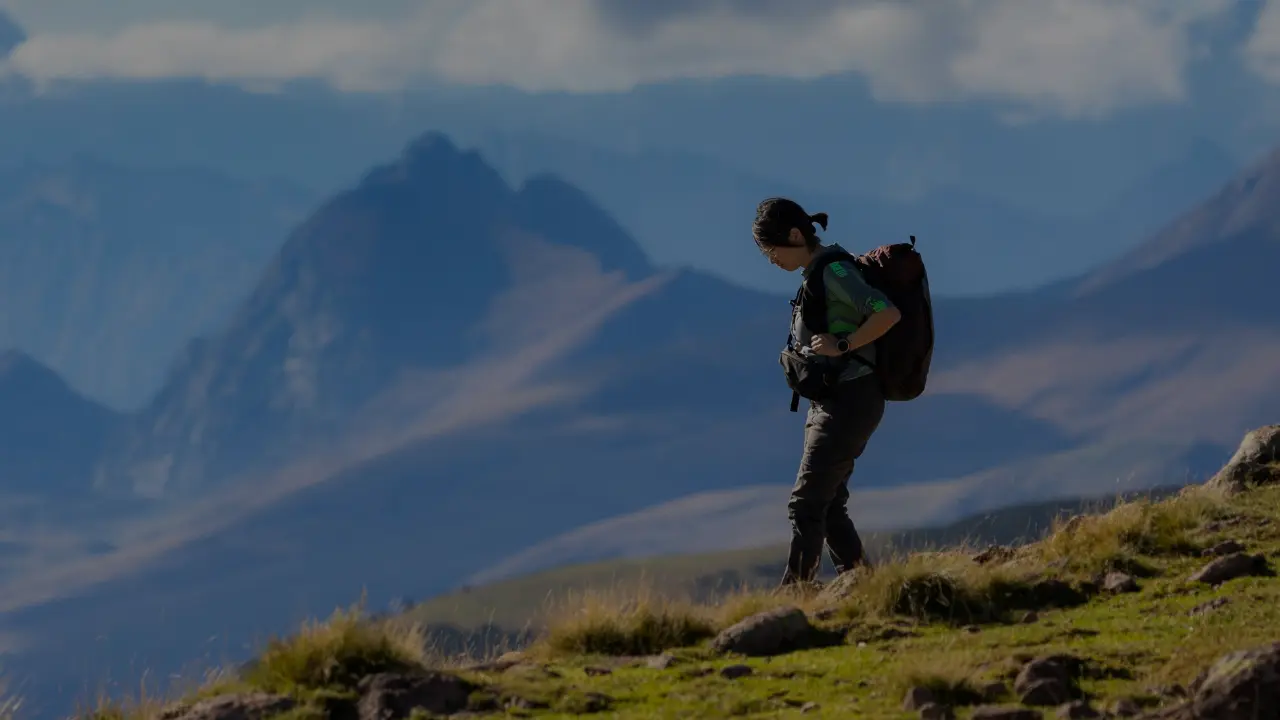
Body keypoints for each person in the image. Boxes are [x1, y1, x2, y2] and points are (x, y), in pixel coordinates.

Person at [752, 197, 902, 588]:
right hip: (835, 400)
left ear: (795, 235)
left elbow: (887, 312)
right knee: (829, 503)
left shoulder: (835, 270)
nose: (770, 260)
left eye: (771, 250)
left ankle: (795, 596)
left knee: (806, 504)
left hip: (851, 399)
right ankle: (863, 588)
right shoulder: (815, 273)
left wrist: (844, 345)